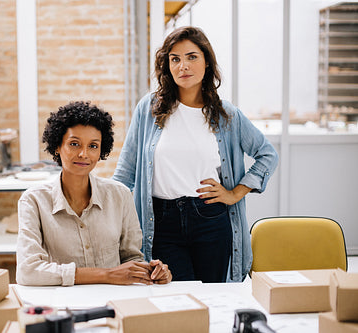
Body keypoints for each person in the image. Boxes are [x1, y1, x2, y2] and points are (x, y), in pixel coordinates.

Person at [113, 26, 278, 283]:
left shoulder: (227, 115)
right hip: (161, 221)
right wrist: (104, 219)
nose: (183, 66)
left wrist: (235, 193)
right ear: (167, 65)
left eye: (191, 57)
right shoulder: (149, 108)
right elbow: (125, 172)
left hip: (210, 218)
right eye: (175, 59)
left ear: (206, 62)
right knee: (175, 298)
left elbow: (267, 155)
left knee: (214, 301)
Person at [16, 101, 172, 286]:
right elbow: (28, 272)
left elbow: (131, 258)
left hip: (113, 300)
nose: (84, 154)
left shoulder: (120, 195)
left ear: (101, 151)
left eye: (93, 146)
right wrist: (106, 275)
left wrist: (151, 272)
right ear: (57, 146)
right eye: (74, 144)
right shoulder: (34, 200)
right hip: (62, 304)